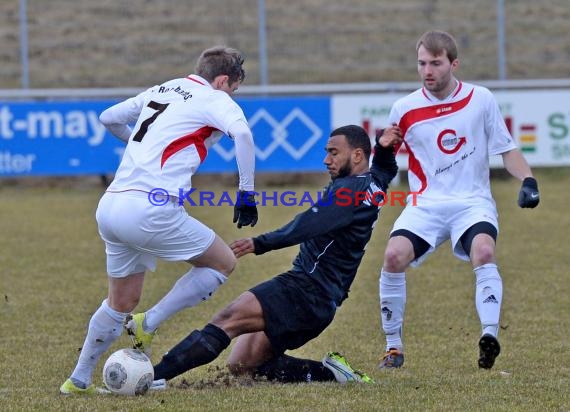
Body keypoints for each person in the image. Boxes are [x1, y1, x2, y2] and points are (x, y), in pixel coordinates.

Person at [60, 46, 259, 395]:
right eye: (233, 89)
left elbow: (108, 117)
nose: (232, 96)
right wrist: (246, 193)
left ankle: (77, 380)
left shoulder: (162, 89)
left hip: (111, 206)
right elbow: (242, 135)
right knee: (223, 262)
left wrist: (143, 145)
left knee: (120, 301)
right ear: (223, 80)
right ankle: (148, 322)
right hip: (151, 210)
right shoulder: (213, 97)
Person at [142, 124, 400, 386]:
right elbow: (384, 169)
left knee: (227, 318)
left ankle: (153, 376)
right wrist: (384, 149)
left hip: (307, 290)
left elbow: (308, 225)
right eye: (326, 152)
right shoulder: (372, 185)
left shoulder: (348, 192)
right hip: (321, 302)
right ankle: (332, 374)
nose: (326, 160)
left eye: (334, 153)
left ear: (357, 155)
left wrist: (259, 243)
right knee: (241, 365)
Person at [376, 30, 540, 370]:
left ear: (453, 63)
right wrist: (381, 148)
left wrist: (528, 179)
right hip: (426, 203)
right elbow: (385, 162)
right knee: (392, 256)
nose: (427, 71)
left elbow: (507, 150)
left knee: (484, 251)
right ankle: (393, 349)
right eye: (422, 63)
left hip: (472, 201)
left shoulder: (481, 99)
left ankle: (489, 336)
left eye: (435, 63)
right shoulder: (404, 108)